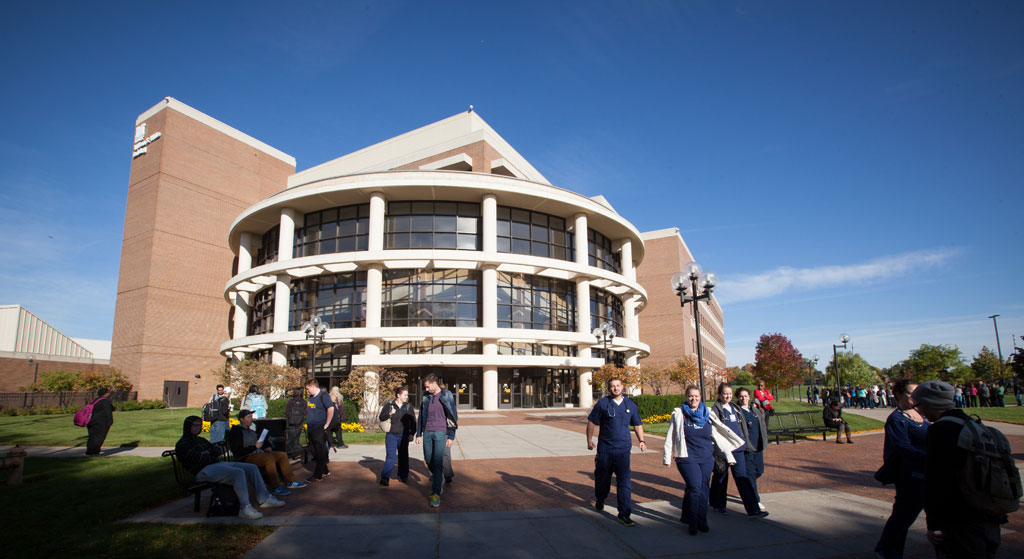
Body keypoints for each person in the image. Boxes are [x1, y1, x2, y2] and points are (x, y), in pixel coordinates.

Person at [913, 380, 1004, 557]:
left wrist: (934, 523)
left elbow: (937, 479)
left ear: (931, 403)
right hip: (989, 511)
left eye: (919, 405)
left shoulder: (941, 430)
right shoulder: (974, 424)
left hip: (960, 518)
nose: (920, 411)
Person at [663, 385, 745, 535]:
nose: (693, 399)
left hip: (706, 457)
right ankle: (693, 522)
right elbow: (671, 436)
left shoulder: (707, 413)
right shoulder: (679, 414)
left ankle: (702, 519)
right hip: (686, 457)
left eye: (696, 396)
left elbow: (718, 436)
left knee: (703, 488)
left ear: (701, 397)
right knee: (694, 487)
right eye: (690, 396)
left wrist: (729, 455)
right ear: (686, 397)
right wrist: (667, 457)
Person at [175, 415, 285, 519]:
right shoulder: (183, 444)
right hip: (202, 471)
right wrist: (208, 454)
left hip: (215, 464)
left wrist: (207, 453)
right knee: (238, 472)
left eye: (199, 425)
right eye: (195, 425)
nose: (198, 428)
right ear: (188, 426)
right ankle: (244, 508)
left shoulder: (201, 440)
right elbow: (199, 459)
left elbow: (216, 451)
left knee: (251, 467)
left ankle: (265, 498)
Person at [874, 379, 929, 559]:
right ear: (898, 395)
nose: (916, 397)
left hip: (928, 472)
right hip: (909, 474)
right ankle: (888, 549)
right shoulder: (896, 419)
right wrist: (928, 458)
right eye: (911, 393)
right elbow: (902, 448)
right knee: (904, 515)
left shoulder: (922, 414)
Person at [586, 377, 647, 527]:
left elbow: (637, 424)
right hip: (605, 450)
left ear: (622, 387)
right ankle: (600, 499)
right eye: (612, 386)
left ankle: (624, 514)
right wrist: (589, 440)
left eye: (618, 386)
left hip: (623, 450)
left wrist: (642, 440)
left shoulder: (630, 405)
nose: (615, 388)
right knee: (602, 481)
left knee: (624, 483)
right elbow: (591, 421)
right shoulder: (602, 403)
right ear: (609, 388)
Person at [709, 383, 767, 518]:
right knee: (721, 477)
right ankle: (718, 504)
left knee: (742, 477)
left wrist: (744, 441)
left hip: (738, 449)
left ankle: (753, 509)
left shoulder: (735, 408)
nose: (727, 396)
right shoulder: (716, 410)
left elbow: (743, 427)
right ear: (719, 394)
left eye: (729, 393)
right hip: (724, 450)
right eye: (724, 393)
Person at [228, 409, 308, 496]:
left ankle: (291, 481)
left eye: (251, 417)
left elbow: (260, 440)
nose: (251, 419)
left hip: (258, 453)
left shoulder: (251, 430)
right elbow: (237, 451)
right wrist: (255, 447)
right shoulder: (236, 431)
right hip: (246, 457)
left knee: (282, 455)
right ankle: (276, 486)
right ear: (241, 419)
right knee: (269, 458)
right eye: (248, 417)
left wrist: (266, 446)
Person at [416, 373, 458, 507]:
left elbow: (452, 416)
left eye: (428, 387)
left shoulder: (447, 395)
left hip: (440, 432)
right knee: (428, 460)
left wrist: (451, 436)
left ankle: (435, 494)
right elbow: (421, 415)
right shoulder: (426, 397)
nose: (426, 389)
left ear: (434, 384)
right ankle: (440, 478)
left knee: (438, 462)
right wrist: (418, 434)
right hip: (427, 432)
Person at [735, 387, 768, 513]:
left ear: (749, 397)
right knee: (751, 475)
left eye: (746, 396)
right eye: (741, 396)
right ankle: (755, 500)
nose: (743, 398)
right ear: (738, 398)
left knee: (759, 470)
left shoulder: (755, 410)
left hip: (758, 446)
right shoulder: (738, 412)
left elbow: (762, 426)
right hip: (747, 449)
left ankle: (751, 496)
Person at [378, 386, 416, 485]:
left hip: (404, 436)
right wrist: (390, 413)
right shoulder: (389, 405)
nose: (407, 397)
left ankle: (403, 475)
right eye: (405, 395)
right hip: (391, 435)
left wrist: (412, 434)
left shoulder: (408, 407)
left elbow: (413, 422)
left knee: (403, 457)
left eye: (407, 395)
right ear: (398, 395)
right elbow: (381, 417)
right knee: (391, 456)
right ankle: (385, 477)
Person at [304, 378, 334, 483]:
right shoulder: (311, 398)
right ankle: (325, 470)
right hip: (311, 427)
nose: (307, 391)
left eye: (308, 389)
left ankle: (317, 475)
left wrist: (327, 424)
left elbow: (331, 408)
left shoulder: (323, 396)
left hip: (319, 427)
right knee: (313, 450)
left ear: (313, 386)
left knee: (320, 451)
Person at [85, 387, 114, 456]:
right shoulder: (105, 401)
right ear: (105, 393)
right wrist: (110, 421)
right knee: (99, 437)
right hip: (101, 422)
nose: (109, 393)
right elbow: (108, 412)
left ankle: (89, 451)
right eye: (108, 392)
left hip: (91, 421)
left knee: (92, 436)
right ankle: (95, 451)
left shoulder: (95, 400)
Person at [284, 388, 307, 457]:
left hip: (291, 423)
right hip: (299, 423)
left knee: (290, 439)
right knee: (297, 439)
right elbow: (305, 413)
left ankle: (289, 454)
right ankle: (296, 453)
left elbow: (287, 413)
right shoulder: (304, 402)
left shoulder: (290, 402)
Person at [326, 385, 349, 450]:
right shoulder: (339, 398)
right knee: (338, 431)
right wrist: (343, 417)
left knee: (329, 432)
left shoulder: (328, 397)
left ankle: (329, 444)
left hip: (329, 417)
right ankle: (340, 444)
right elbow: (341, 409)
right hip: (336, 418)